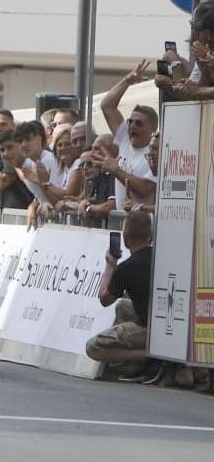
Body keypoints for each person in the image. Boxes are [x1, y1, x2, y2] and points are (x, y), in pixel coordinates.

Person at [86, 211, 152, 370]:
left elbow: (104, 299)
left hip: (147, 327)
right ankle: (135, 364)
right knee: (122, 306)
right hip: (164, 322)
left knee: (93, 347)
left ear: (126, 237)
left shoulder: (126, 268)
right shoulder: (162, 255)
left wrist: (110, 265)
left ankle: (149, 356)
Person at [99, 62, 158, 211]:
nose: (132, 126)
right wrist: (127, 81)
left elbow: (145, 189)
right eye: (130, 122)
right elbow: (107, 106)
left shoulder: (155, 153)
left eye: (139, 123)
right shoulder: (125, 140)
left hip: (143, 224)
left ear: (153, 128)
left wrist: (116, 170)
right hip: (122, 221)